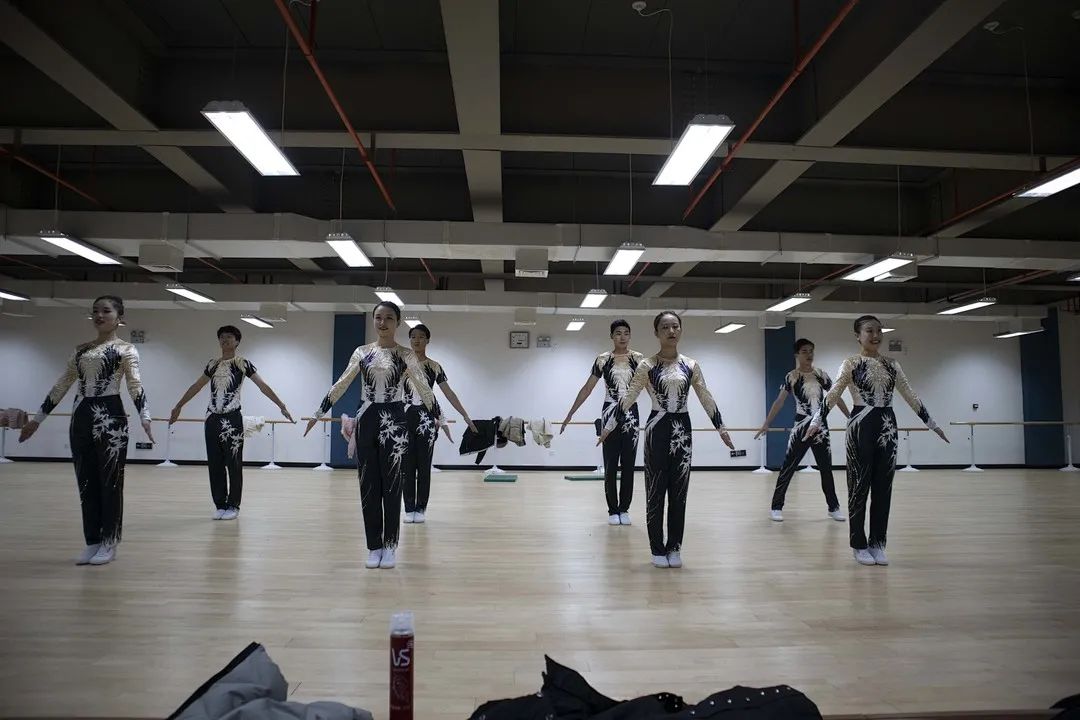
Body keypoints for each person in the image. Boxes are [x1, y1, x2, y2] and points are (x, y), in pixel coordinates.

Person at [18, 295, 153, 566]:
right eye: (95, 311)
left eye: (106, 311)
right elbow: (62, 384)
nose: (99, 315)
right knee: (86, 481)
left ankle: (110, 541)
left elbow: (134, 384)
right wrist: (37, 419)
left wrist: (144, 416)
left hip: (111, 416)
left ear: (119, 317)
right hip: (81, 416)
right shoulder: (81, 350)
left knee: (110, 482)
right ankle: (92, 540)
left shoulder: (125, 349)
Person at [805, 315, 949, 566]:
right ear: (858, 336)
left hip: (887, 425)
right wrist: (816, 421)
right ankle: (858, 544)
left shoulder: (892, 364)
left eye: (879, 331)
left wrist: (931, 423)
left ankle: (878, 543)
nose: (875, 335)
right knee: (859, 486)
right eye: (869, 331)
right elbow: (835, 392)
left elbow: (909, 394)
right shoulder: (851, 363)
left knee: (883, 488)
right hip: (861, 423)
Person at [303, 301, 436, 570]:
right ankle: (374, 546)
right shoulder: (362, 352)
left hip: (395, 418)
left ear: (398, 323)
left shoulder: (405, 354)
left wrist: (439, 418)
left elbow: (424, 388)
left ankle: (390, 545)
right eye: (378, 317)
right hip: (367, 417)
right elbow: (342, 383)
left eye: (389, 318)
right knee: (368, 485)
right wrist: (319, 412)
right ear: (373, 320)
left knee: (392, 485)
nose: (382, 323)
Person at [599, 311, 734, 569]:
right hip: (657, 428)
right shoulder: (647, 365)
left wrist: (721, 428)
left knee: (679, 491)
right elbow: (629, 396)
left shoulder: (691, 365)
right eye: (665, 327)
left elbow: (705, 396)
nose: (671, 331)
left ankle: (675, 546)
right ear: (656, 333)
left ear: (680, 330)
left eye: (675, 326)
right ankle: (657, 548)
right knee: (656, 490)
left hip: (683, 428)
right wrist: (609, 426)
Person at [168, 325, 294, 520]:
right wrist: (178, 406)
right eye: (222, 337)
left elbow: (262, 386)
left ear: (237, 342)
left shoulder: (242, 363)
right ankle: (220, 504)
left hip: (232, 418)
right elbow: (197, 386)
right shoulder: (212, 364)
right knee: (215, 463)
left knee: (233, 463)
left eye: (229, 337)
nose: (225, 340)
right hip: (212, 418)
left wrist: (281, 405)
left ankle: (233, 505)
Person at [755, 338, 850, 522]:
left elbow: (835, 397)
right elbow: (779, 401)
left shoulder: (821, 375)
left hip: (820, 426)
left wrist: (850, 417)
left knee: (826, 469)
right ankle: (776, 506)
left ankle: (833, 507)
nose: (809, 354)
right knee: (788, 467)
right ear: (797, 355)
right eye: (805, 351)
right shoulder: (792, 376)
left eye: (811, 351)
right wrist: (767, 423)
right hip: (801, 426)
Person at [560, 319, 644, 526]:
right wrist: (570, 413)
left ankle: (624, 509)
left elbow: (649, 386)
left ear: (630, 336)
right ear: (612, 336)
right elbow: (587, 388)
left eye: (626, 333)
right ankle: (612, 510)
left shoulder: (638, 359)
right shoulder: (603, 359)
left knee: (628, 464)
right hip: (609, 410)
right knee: (610, 463)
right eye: (618, 333)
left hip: (631, 412)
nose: (622, 337)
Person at [402, 323, 477, 523]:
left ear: (427, 340)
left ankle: (421, 508)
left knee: (424, 466)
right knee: (407, 467)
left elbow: (449, 393)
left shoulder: (434, 366)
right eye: (413, 337)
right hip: (405, 418)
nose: (416, 340)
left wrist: (465, 415)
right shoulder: (402, 364)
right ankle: (408, 508)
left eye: (421, 337)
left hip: (426, 419)